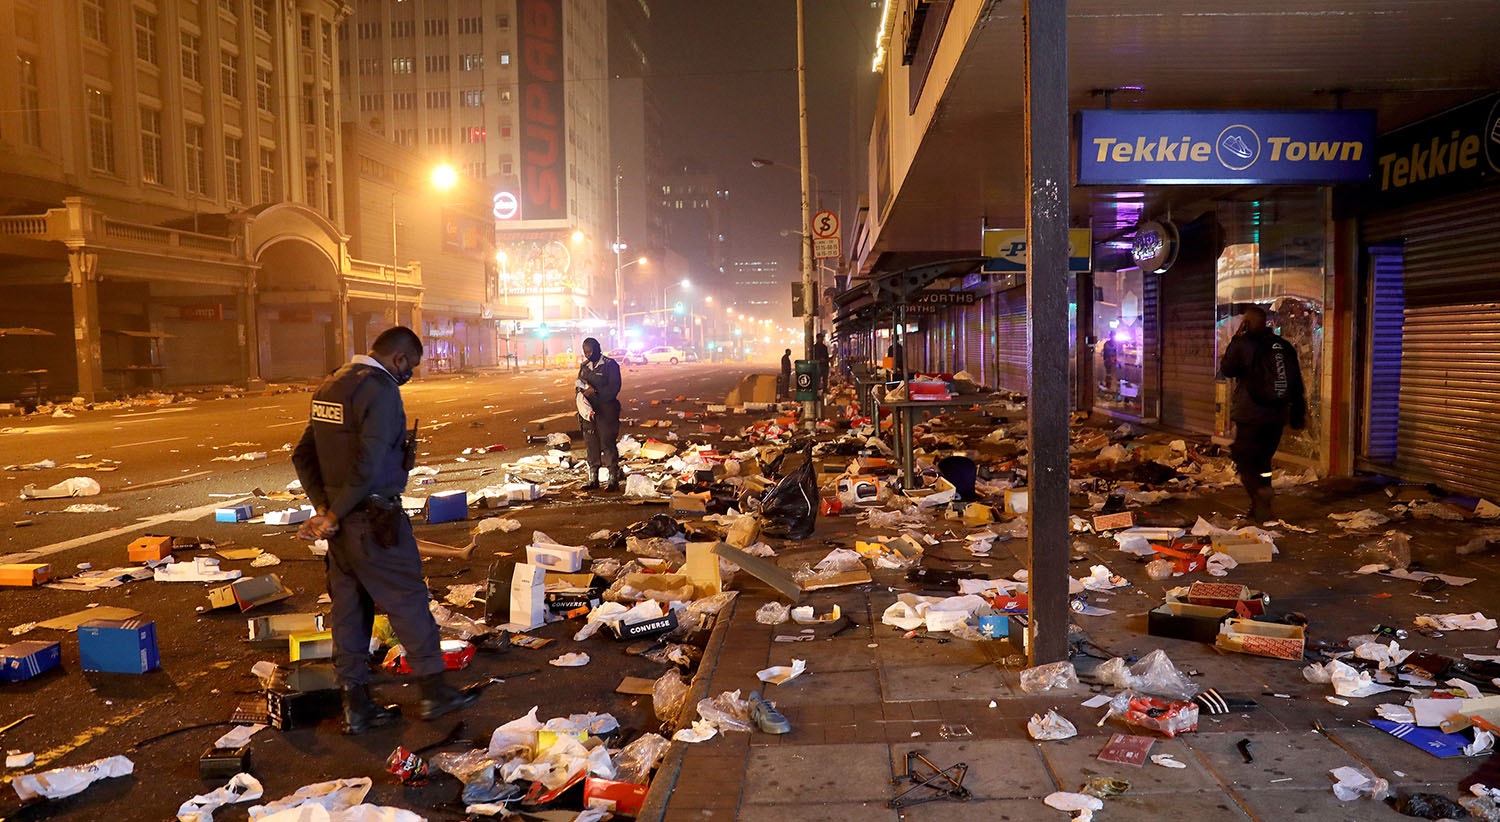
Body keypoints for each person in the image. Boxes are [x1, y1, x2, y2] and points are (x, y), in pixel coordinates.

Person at [292, 326, 478, 734]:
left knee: (349, 612)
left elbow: (302, 454)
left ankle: (355, 704)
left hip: (341, 531)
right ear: (399, 359)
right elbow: (370, 464)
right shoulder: (381, 390)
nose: (409, 373)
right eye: (410, 365)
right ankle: (434, 692)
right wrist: (334, 512)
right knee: (408, 600)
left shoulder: (330, 386)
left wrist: (324, 509)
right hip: (374, 521)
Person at [1218, 306, 1306, 522]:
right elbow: (1295, 381)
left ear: (1246, 323)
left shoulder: (1244, 343)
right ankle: (1260, 504)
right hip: (1276, 415)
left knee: (1243, 458)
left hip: (1250, 414)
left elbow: (1228, 369)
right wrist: (1297, 413)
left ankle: (1259, 492)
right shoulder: (1284, 346)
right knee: (1264, 460)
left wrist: (1237, 338)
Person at [576, 337, 622, 491]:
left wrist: (595, 392)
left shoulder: (610, 365)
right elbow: (578, 384)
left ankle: (612, 479)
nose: (588, 355)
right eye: (585, 352)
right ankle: (593, 478)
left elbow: (614, 388)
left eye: (590, 351)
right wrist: (582, 392)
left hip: (606, 411)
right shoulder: (584, 367)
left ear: (597, 349)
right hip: (589, 412)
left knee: (607, 443)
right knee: (591, 444)